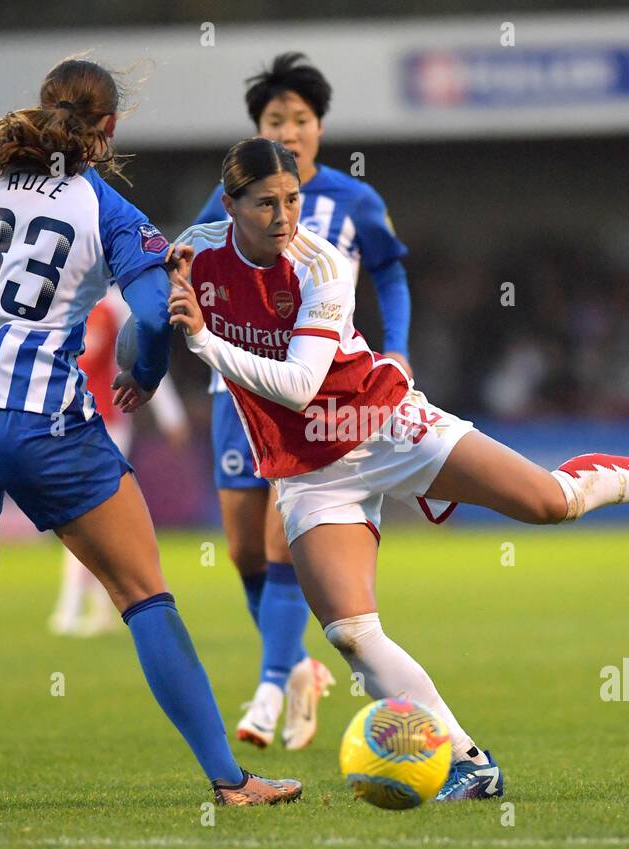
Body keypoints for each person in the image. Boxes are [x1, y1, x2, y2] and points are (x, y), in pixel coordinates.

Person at [118, 137, 629, 801]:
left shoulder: (319, 266)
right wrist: (142, 365)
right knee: (350, 631)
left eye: (292, 200)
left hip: (384, 425)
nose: (284, 216)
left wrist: (201, 340)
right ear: (230, 206)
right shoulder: (194, 252)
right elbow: (134, 300)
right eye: (265, 204)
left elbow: (299, 384)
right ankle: (469, 759)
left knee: (549, 503)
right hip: (308, 471)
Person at [0, 59, 300, 810]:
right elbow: (156, 314)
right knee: (143, 593)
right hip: (39, 419)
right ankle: (231, 781)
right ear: (109, 130)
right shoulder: (107, 210)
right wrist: (149, 373)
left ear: (41, 111)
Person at [189, 54, 416, 751]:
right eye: (274, 121)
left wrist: (397, 346)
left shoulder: (353, 201)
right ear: (257, 129)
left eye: (300, 120)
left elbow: (390, 272)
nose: (288, 130)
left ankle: (266, 690)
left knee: (282, 537)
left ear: (320, 127)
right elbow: (188, 257)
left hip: (315, 393)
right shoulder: (229, 198)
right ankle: (296, 669)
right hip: (239, 386)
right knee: (242, 549)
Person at [48, 286, 190, 637]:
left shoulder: (114, 306)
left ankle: (70, 608)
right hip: (73, 419)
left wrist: (170, 414)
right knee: (90, 515)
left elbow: (147, 358)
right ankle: (97, 607)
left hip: (106, 421)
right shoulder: (73, 301)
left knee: (81, 513)